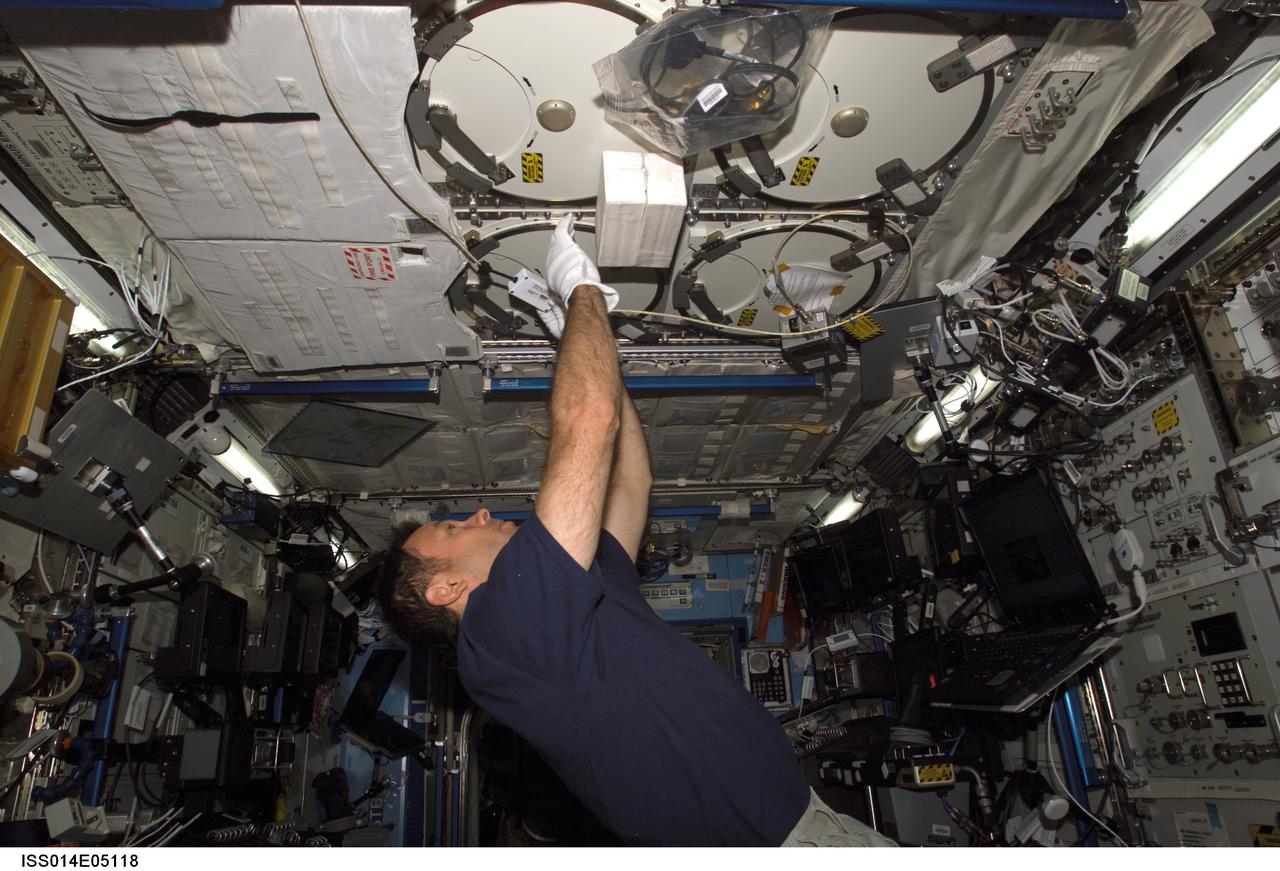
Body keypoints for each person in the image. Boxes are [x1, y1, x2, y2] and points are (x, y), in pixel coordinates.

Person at [380, 215, 896, 847]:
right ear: (445, 589)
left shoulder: (570, 606)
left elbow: (631, 483)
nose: (479, 515)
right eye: (453, 527)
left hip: (809, 821)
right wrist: (581, 293)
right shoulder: (501, 636)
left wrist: (575, 341)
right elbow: (588, 419)